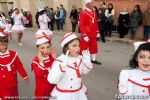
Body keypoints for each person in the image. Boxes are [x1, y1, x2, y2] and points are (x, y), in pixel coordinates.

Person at [47, 32, 93, 100]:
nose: (78, 48)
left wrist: (87, 64)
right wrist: (61, 68)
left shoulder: (80, 58)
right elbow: (51, 80)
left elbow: (84, 72)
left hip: (78, 93)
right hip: (63, 95)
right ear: (66, 48)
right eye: (74, 45)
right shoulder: (59, 61)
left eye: (78, 45)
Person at [0, 29, 29, 99]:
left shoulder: (13, 54)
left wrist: (25, 76)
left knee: (15, 97)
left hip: (13, 83)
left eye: (5, 44)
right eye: (1, 45)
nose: (4, 46)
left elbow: (19, 66)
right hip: (2, 85)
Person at [31, 31, 56, 100]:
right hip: (42, 90)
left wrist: (55, 60)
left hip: (52, 88)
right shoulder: (35, 61)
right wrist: (41, 62)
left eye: (48, 47)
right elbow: (38, 74)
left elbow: (56, 72)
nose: (46, 50)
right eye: (42, 48)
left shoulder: (52, 58)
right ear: (38, 49)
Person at [79, 0, 101, 65]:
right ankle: (83, 60)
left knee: (94, 46)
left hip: (93, 33)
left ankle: (93, 60)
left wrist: (97, 32)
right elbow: (81, 25)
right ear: (87, 4)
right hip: (86, 33)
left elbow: (96, 23)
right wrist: (84, 34)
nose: (92, 4)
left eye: (92, 3)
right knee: (84, 47)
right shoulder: (83, 13)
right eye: (91, 3)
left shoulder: (94, 12)